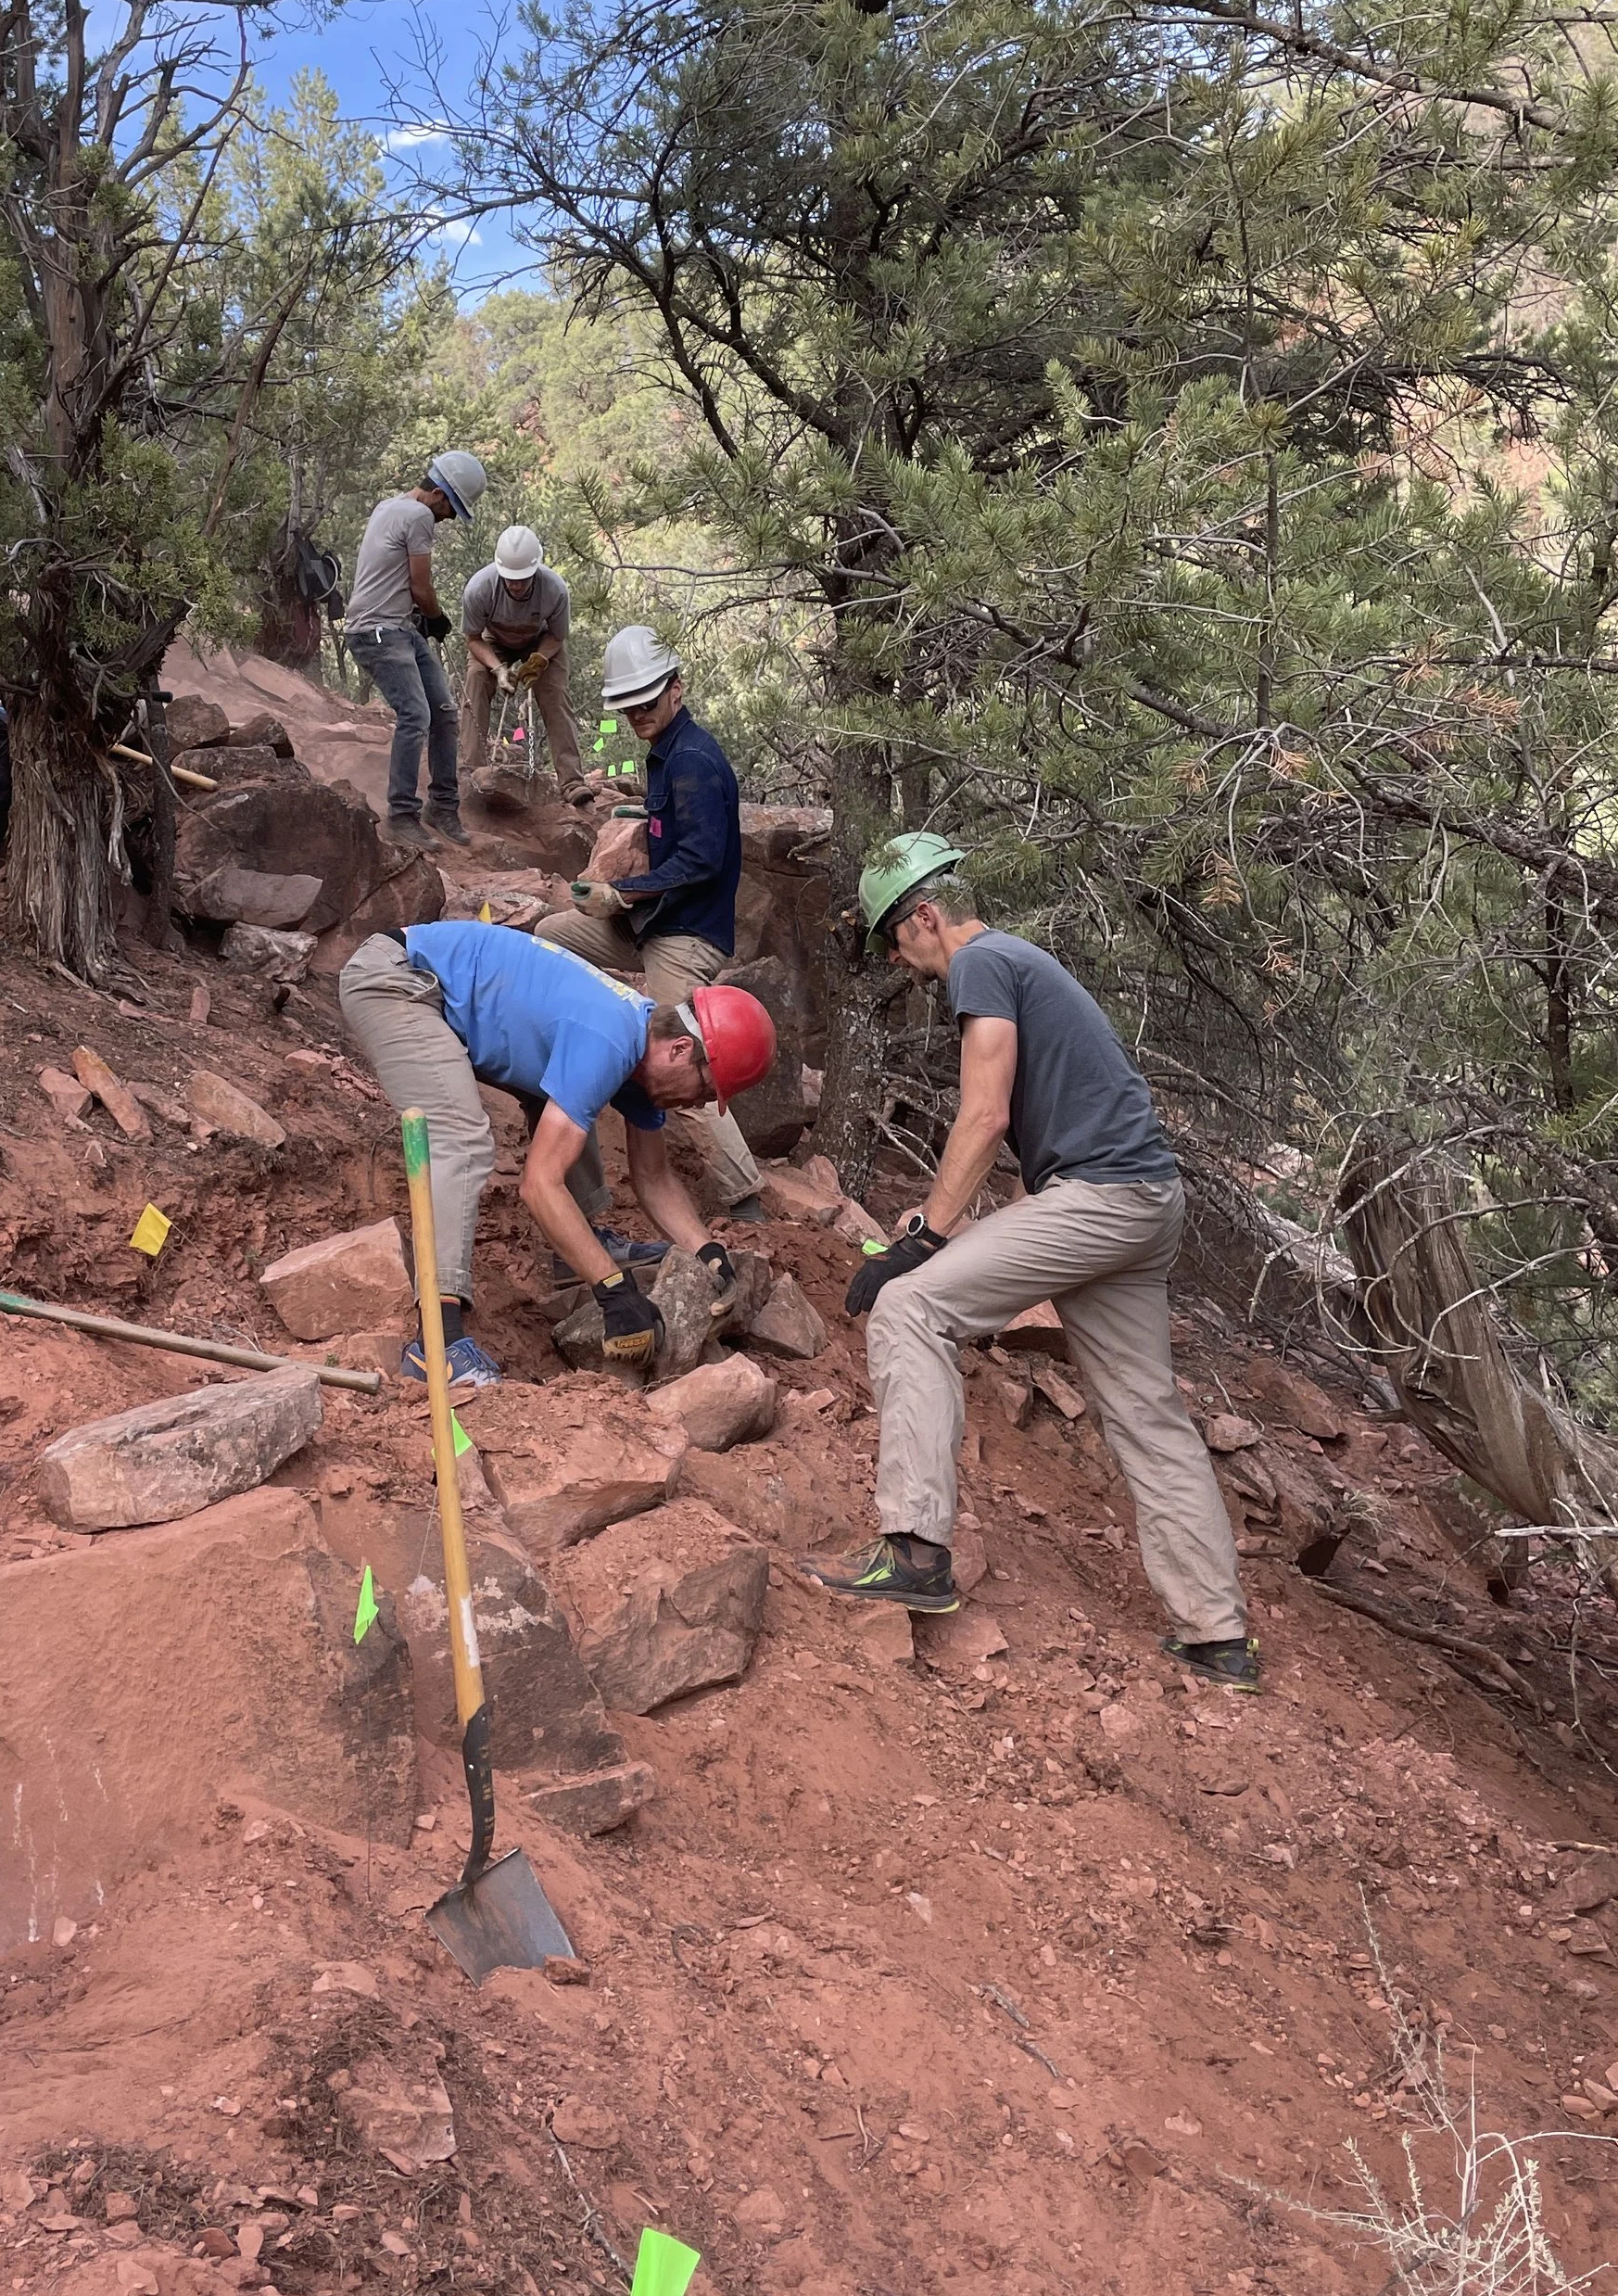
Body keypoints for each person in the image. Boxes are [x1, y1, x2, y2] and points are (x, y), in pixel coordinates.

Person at [801, 833, 1258, 1693]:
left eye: (901, 948)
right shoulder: (1024, 961)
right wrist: (946, 1220)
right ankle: (1216, 1633)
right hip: (1145, 1201)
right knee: (1147, 1415)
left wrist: (923, 1241)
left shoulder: (980, 964)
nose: (910, 971)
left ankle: (914, 1552)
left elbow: (983, 1116)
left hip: (1100, 1198)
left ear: (926, 917)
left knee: (911, 1306)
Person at [339, 917, 777, 1397]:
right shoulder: (610, 1038)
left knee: (571, 1108)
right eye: (705, 1089)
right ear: (679, 1049)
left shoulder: (639, 1052)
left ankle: (578, 1248)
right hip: (401, 981)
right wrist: (613, 1291)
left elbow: (653, 1177)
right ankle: (436, 1345)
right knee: (460, 1137)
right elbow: (538, 1183)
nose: (697, 1104)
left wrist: (707, 1253)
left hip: (444, 988)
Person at [535, 624, 766, 1235]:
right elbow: (677, 838)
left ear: (676, 688)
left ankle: (743, 1195)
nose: (636, 710)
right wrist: (639, 821)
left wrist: (621, 891)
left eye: (646, 697)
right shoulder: (666, 752)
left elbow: (702, 860)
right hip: (651, 923)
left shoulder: (690, 759)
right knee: (550, 935)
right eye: (627, 701)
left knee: (678, 1052)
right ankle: (578, 1042)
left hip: (687, 933)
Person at [340, 451, 488, 844]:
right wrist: (436, 617)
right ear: (439, 494)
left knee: (444, 712)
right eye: (452, 508)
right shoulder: (421, 516)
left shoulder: (389, 506)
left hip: (396, 627)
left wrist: (417, 614)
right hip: (378, 631)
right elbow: (421, 587)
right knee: (416, 715)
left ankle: (442, 806)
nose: (451, 517)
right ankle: (403, 816)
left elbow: (393, 575)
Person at [461, 524, 582, 787]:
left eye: (523, 579)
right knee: (476, 679)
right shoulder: (478, 589)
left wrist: (539, 660)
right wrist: (497, 669)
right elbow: (472, 638)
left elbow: (557, 636)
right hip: (492, 640)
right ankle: (470, 770)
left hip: (541, 640)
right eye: (510, 579)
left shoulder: (555, 590)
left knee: (555, 693)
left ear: (535, 569)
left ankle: (571, 780)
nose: (516, 585)